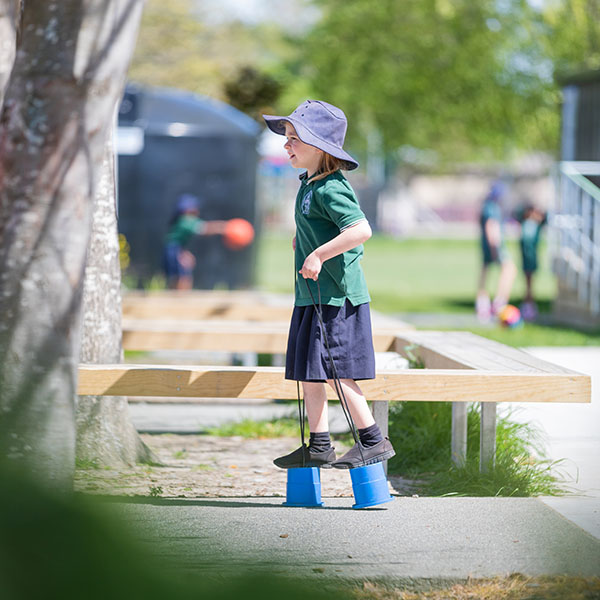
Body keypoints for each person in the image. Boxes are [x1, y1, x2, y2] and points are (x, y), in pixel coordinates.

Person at [262, 100, 395, 469]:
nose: (286, 146)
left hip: (336, 298)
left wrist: (318, 255)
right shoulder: (308, 184)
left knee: (338, 372)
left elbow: (360, 229)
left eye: (293, 139)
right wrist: (302, 241)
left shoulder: (331, 187)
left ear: (319, 146)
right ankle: (318, 444)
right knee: (311, 372)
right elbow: (319, 224)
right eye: (286, 138)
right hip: (311, 297)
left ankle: (372, 440)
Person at [163, 194, 227, 290]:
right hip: (173, 250)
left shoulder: (183, 221)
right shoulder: (186, 221)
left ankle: (178, 297)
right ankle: (180, 299)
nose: (197, 211)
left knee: (179, 275)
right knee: (182, 276)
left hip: (176, 248)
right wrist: (225, 227)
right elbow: (205, 229)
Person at [476, 181, 517, 322]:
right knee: (509, 269)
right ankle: (499, 302)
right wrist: (494, 247)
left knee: (485, 272)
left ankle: (482, 304)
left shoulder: (487, 206)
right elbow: (491, 227)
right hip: (495, 245)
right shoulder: (492, 208)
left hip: (487, 245)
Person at [515, 203, 547, 321]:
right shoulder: (528, 224)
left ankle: (529, 306)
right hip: (528, 259)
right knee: (528, 284)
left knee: (530, 284)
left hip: (531, 259)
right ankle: (528, 306)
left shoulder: (534, 225)